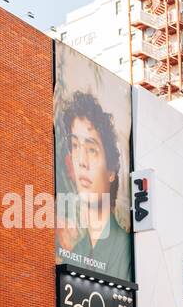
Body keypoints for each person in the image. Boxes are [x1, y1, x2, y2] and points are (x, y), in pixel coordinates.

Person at [56, 91, 131, 277]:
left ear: (111, 171)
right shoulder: (74, 253)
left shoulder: (125, 248)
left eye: (91, 149)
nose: (81, 160)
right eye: (75, 146)